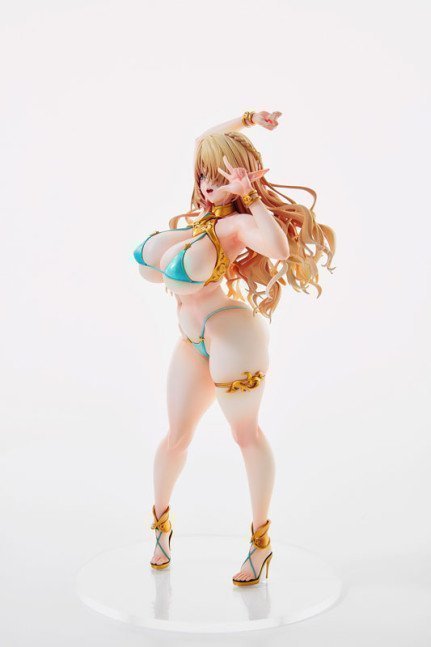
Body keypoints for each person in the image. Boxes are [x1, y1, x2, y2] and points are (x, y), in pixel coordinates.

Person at [133, 109, 336, 585]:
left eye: (220, 179)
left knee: (246, 436)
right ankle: (161, 530)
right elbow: (204, 136)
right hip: (192, 340)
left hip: (232, 337)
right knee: (176, 437)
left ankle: (260, 545)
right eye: (205, 176)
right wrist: (247, 118)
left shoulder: (238, 226)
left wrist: (251, 195)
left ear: (241, 182)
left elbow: (278, 249)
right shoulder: (204, 220)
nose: (208, 185)